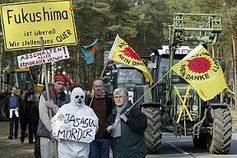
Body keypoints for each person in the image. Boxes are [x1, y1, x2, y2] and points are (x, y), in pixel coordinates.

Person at [51, 87, 99, 158]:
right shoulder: (64, 109)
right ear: (72, 97)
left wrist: (90, 133)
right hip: (66, 149)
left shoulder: (89, 111)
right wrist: (58, 133)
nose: (79, 99)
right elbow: (55, 122)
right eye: (77, 97)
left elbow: (95, 125)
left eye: (82, 97)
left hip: (83, 149)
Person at [106, 87, 147, 158]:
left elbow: (142, 125)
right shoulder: (113, 113)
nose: (118, 99)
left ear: (125, 98)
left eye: (120, 97)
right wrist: (107, 129)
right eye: (116, 97)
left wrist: (128, 120)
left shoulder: (133, 110)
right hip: (118, 153)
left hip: (134, 152)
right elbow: (106, 124)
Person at [37, 73, 71, 158]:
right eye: (59, 84)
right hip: (46, 134)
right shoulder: (45, 95)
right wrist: (52, 131)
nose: (61, 86)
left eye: (63, 84)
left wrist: (54, 107)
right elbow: (43, 116)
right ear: (54, 83)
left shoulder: (67, 98)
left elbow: (66, 116)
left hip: (62, 135)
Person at [87, 79, 113, 158]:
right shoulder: (89, 102)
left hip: (105, 137)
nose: (98, 88)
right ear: (93, 88)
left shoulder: (109, 101)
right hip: (92, 138)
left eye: (100, 86)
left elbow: (112, 115)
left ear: (103, 87)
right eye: (96, 86)